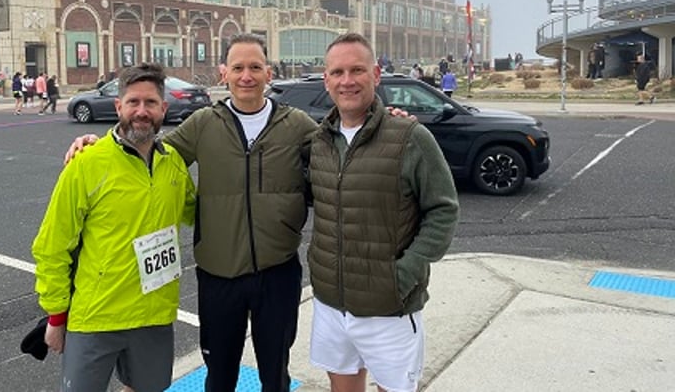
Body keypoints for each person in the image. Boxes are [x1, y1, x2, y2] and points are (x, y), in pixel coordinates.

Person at [67, 34, 319, 392]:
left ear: (268, 72)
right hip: (219, 275)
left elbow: (342, 150)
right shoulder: (203, 124)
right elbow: (146, 151)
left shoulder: (297, 126)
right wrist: (98, 144)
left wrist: (390, 123)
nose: (246, 75)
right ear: (223, 74)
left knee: (275, 373)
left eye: (255, 67)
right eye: (237, 68)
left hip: (278, 273)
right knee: (219, 375)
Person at [307, 33, 459, 392]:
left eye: (357, 70)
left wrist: (404, 273)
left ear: (376, 74)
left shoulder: (410, 136)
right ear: (325, 79)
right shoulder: (318, 142)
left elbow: (443, 210)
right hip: (331, 304)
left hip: (388, 308)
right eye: (338, 72)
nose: (348, 80)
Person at [32, 63, 196, 392]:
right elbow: (52, 246)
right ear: (118, 106)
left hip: (154, 314)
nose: (141, 111)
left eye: (150, 103)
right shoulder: (87, 164)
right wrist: (55, 316)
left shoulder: (173, 164)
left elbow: (198, 213)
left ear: (163, 109)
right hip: (97, 317)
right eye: (133, 102)